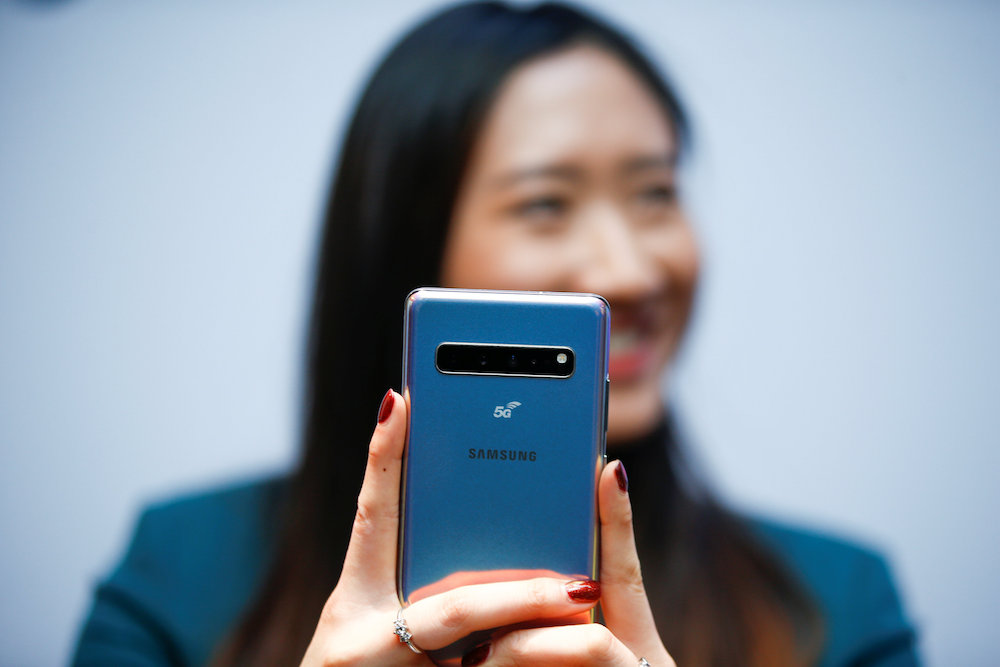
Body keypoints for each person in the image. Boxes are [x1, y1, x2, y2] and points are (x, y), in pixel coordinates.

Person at [72, 3, 920, 666]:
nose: (630, 270)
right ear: (409, 252)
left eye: (655, 192)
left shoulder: (837, 602)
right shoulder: (179, 569)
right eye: (545, 203)